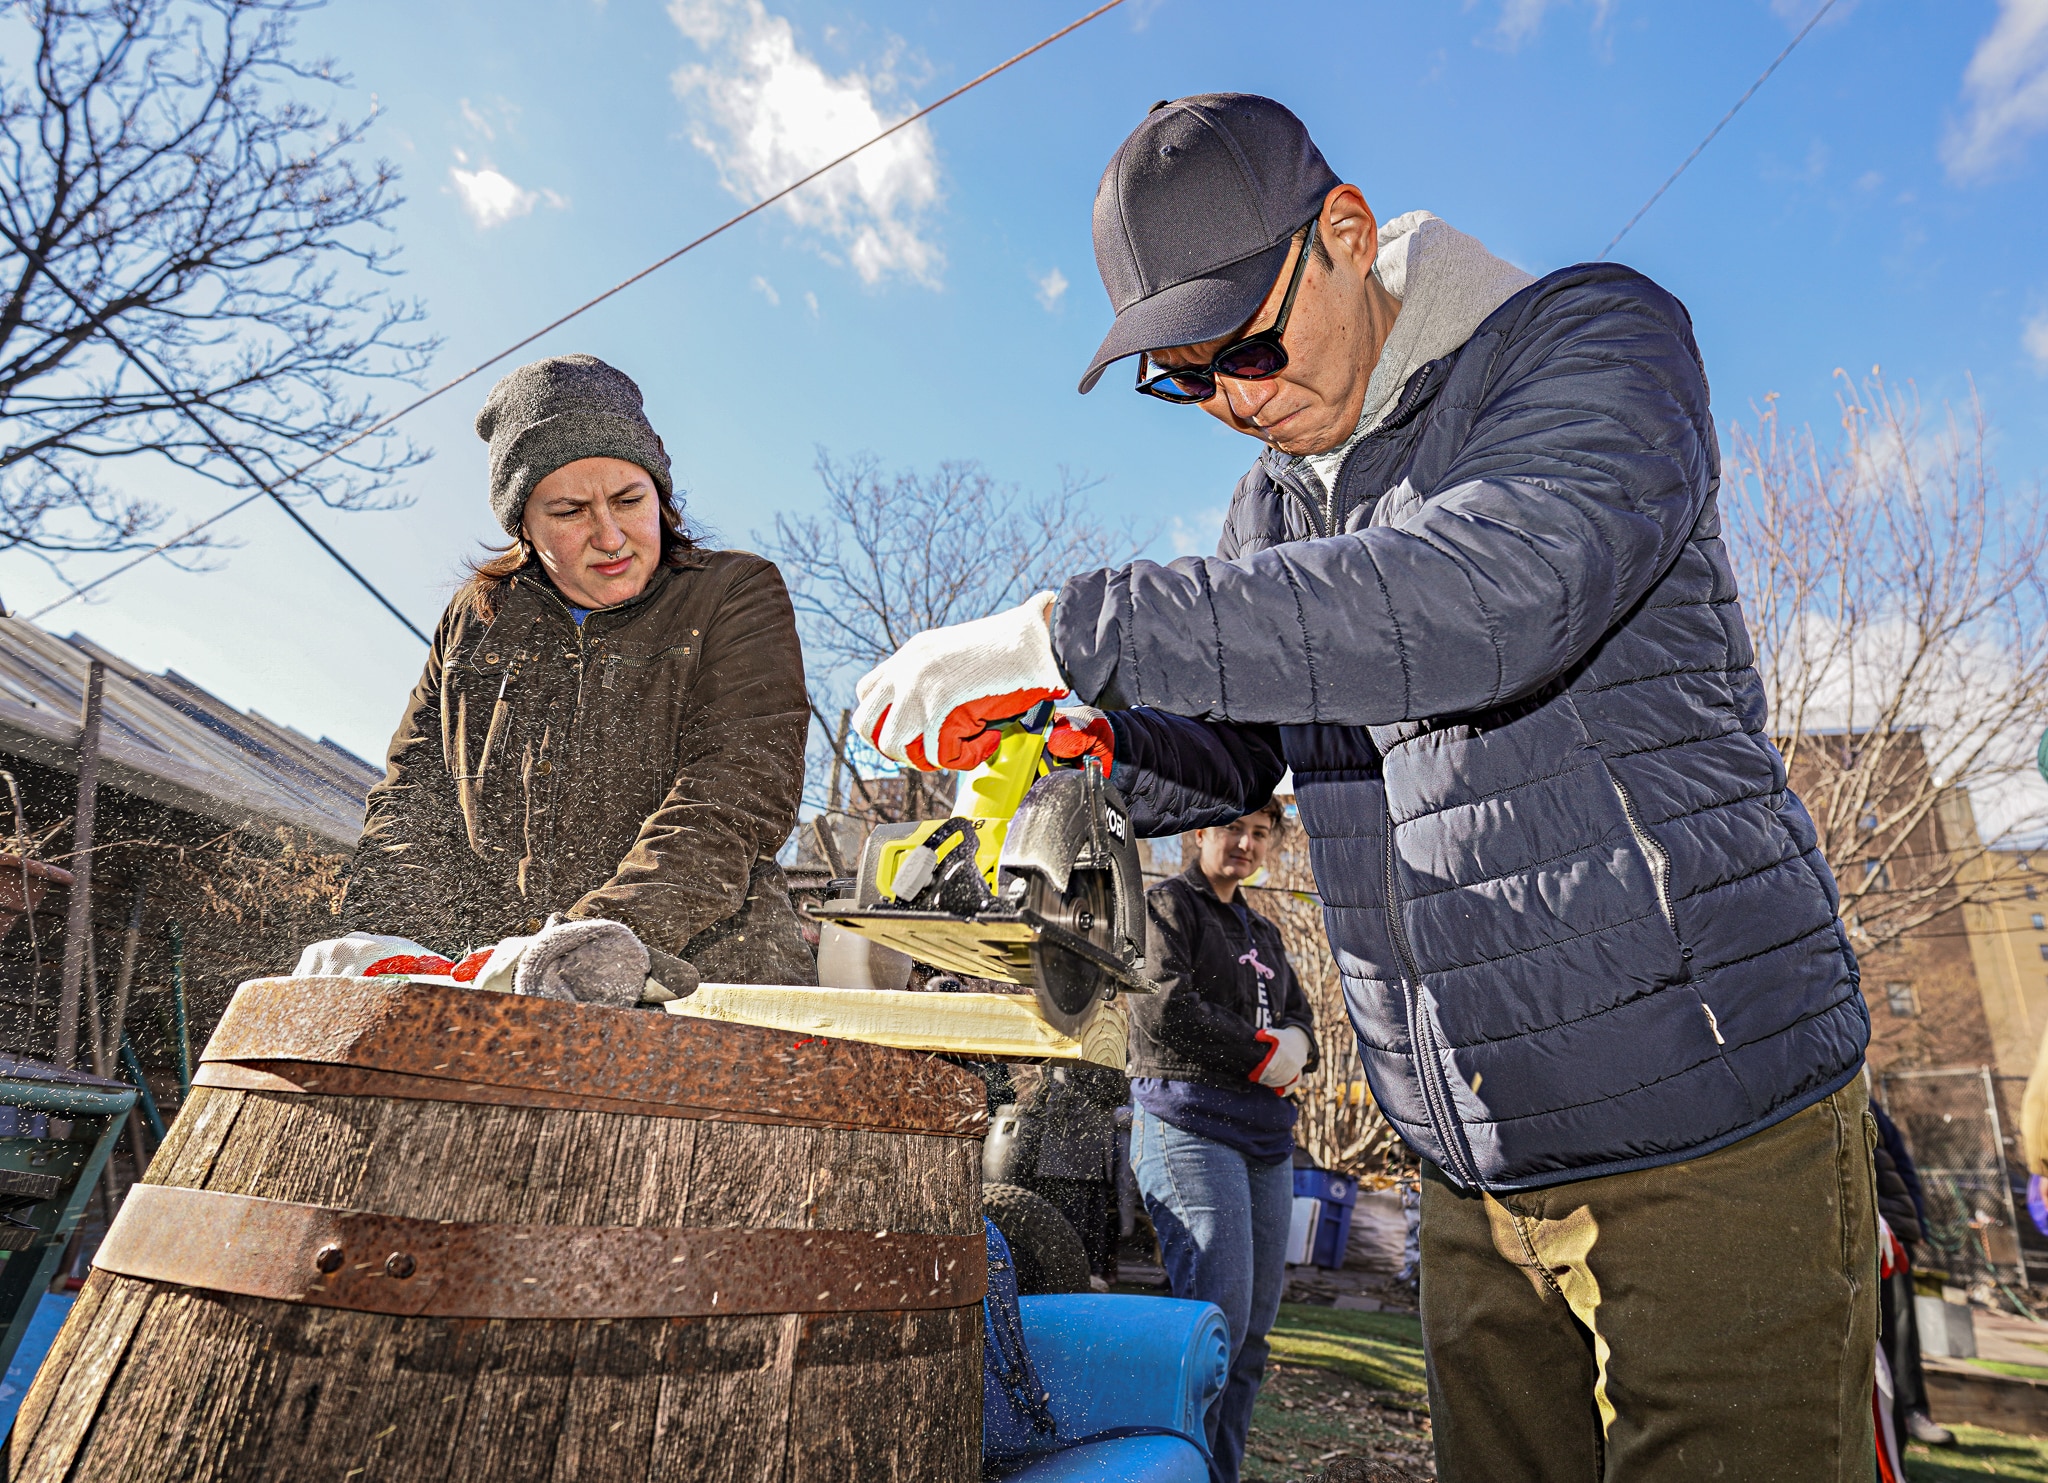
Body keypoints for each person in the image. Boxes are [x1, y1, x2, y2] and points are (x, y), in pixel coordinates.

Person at [853, 94, 1874, 1480]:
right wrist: (1076, 729)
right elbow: (1230, 751)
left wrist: (1070, 628)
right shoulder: (1276, 502)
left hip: (1707, 1118)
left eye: (1250, 347)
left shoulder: (1591, 342)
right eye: (1186, 379)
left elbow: (1492, 594)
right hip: (1470, 1156)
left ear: (1343, 233)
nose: (1236, 401)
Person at [340, 353, 813, 990]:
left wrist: (603, 936)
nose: (611, 537)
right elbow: (412, 801)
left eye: (629, 500)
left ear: (661, 496)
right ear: (523, 526)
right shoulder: (475, 623)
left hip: (710, 984)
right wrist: (380, 945)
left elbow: (735, 791)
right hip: (501, 984)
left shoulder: (731, 592)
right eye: (569, 512)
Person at [1129, 798, 1316, 1483]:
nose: (1246, 843)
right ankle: (1174, 1470)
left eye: (1260, 833)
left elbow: (1302, 1019)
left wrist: (1298, 1044)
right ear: (1201, 831)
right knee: (1217, 1331)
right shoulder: (1166, 908)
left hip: (1265, 1141)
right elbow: (1163, 1008)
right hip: (1191, 1124)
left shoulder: (1264, 931)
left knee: (1252, 1339)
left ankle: (1218, 1475)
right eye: (1234, 828)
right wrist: (1264, 1052)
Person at [1871, 1098, 1953, 1448]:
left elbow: (1902, 1162)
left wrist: (1914, 1220)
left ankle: (1912, 1411)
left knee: (1902, 1327)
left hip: (1893, 1229)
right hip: (1856, 1226)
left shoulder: (1865, 1098)